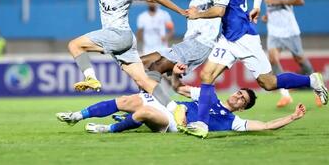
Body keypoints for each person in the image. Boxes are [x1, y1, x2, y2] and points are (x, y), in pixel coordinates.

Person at [183, 0, 328, 139]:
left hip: (244, 38)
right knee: (207, 76)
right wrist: (257, 5)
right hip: (228, 38)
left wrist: (196, 15)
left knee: (269, 83)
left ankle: (312, 80)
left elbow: (219, 10)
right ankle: (201, 124)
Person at [56, 64, 306, 135]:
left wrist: (292, 117)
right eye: (240, 92)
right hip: (172, 105)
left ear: (244, 106)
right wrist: (176, 73)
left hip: (173, 123)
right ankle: (78, 115)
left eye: (243, 98)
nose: (238, 96)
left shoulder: (233, 121)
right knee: (131, 96)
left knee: (143, 111)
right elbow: (179, 89)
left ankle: (108, 129)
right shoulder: (208, 94)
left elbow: (264, 126)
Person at [141, 0, 220, 76]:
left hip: (202, 42)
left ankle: (145, 94)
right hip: (190, 42)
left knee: (156, 67)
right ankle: (148, 94)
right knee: (142, 62)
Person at [263, 0, 321, 108]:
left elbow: (300, 1)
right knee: (273, 59)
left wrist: (278, 1)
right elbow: (270, 7)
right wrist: (267, 16)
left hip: (289, 30)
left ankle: (318, 88)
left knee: (300, 60)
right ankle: (285, 95)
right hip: (274, 31)